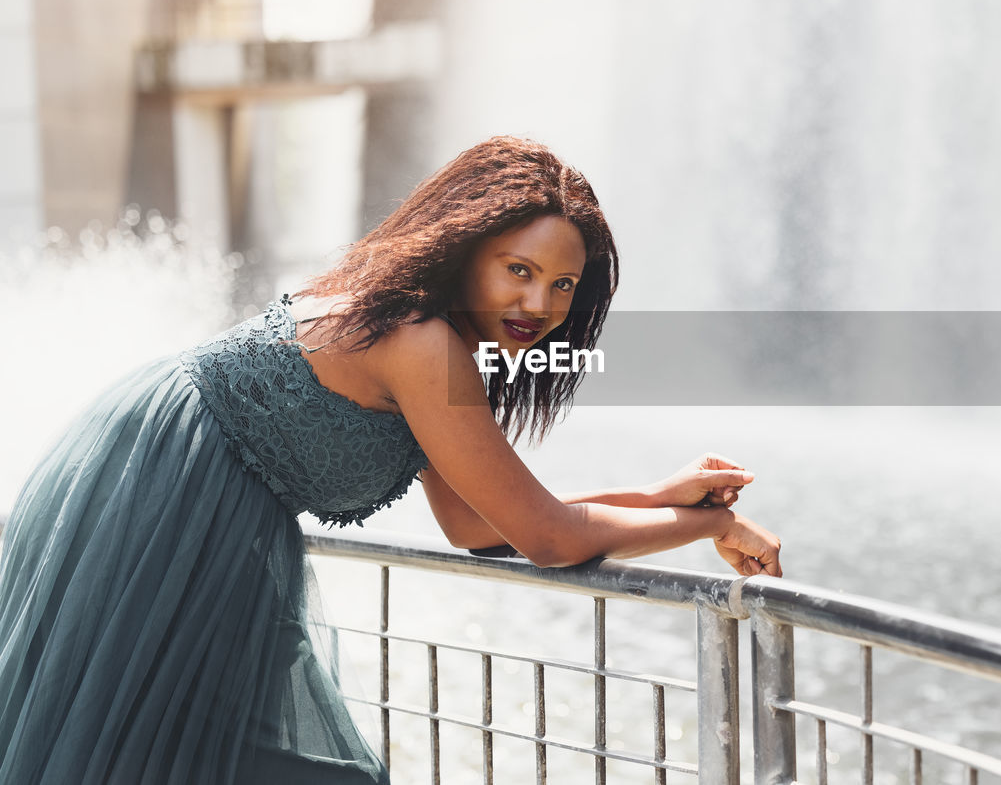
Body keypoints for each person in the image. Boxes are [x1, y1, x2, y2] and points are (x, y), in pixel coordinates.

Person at [0, 136, 782, 784]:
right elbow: (547, 537)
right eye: (520, 270)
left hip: (180, 498)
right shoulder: (420, 340)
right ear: (468, 249)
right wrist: (704, 524)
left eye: (562, 285)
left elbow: (477, 521)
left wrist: (654, 497)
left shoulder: (435, 342)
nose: (540, 307)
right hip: (161, 504)